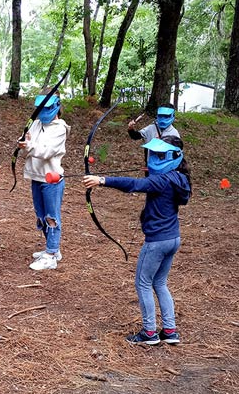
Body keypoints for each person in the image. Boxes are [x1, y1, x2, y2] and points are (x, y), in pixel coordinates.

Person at [82, 135, 191, 345]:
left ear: (172, 156)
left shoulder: (161, 180)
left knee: (143, 283)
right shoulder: (180, 178)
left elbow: (133, 184)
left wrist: (101, 180)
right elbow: (154, 184)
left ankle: (149, 332)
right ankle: (170, 330)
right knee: (159, 282)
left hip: (157, 242)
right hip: (173, 238)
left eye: (160, 155)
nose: (155, 158)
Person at [18, 89, 70, 271]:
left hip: (52, 179)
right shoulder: (36, 123)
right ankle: (52, 250)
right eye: (40, 107)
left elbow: (46, 151)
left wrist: (30, 145)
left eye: (46, 107)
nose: (42, 111)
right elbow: (29, 143)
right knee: (41, 216)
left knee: (51, 217)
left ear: (57, 106)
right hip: (36, 176)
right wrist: (24, 143)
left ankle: (51, 254)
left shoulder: (60, 129)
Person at [129, 103, 180, 171]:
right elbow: (135, 136)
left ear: (172, 116)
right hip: (150, 167)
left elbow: (177, 155)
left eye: (166, 116)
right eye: (161, 116)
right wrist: (130, 129)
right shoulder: (151, 128)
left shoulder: (174, 133)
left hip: (166, 170)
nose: (163, 119)